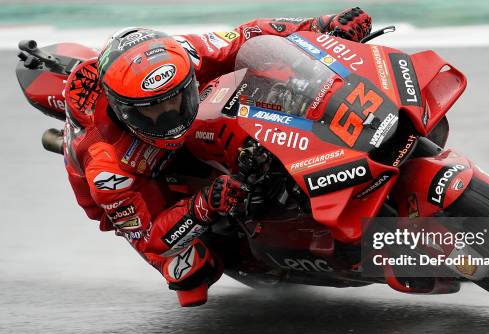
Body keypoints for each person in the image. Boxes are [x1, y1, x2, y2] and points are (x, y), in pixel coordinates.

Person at [62, 8, 372, 307]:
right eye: (153, 111)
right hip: (140, 185)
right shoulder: (107, 169)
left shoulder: (184, 54)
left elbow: (248, 35)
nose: (170, 117)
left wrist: (323, 25)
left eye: (177, 99)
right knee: (190, 269)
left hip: (195, 134)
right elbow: (153, 237)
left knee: (261, 76)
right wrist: (204, 204)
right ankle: (263, 251)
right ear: (123, 110)